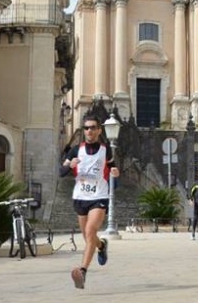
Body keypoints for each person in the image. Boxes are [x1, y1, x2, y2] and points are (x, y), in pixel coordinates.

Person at [59, 115, 119, 289]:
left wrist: (115, 172)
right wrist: (69, 166)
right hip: (80, 197)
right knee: (88, 238)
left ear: (99, 130)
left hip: (99, 197)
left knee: (90, 230)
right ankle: (101, 245)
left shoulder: (105, 149)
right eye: (86, 128)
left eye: (93, 127)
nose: (89, 131)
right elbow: (61, 172)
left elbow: (113, 166)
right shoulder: (75, 150)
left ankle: (83, 271)